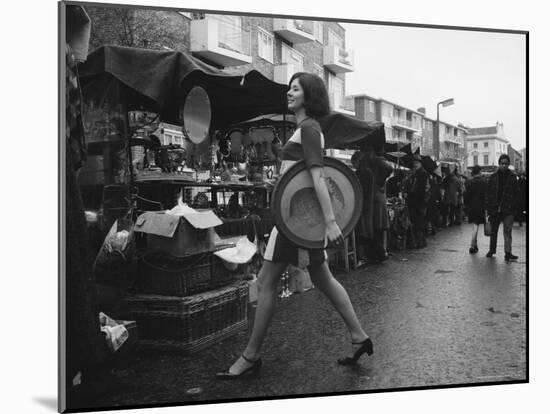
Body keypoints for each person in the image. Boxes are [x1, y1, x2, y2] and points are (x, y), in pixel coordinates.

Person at [216, 73, 372, 379]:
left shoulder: (310, 129)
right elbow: (302, 173)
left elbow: (318, 176)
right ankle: (359, 336)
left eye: (295, 89)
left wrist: (329, 221)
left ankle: (250, 356)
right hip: (298, 221)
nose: (289, 92)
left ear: (309, 95)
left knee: (265, 282)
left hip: (294, 223)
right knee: (323, 278)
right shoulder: (305, 129)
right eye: (289, 88)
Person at [485, 154, 520, 261]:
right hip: (495, 208)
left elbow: (517, 193)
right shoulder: (493, 177)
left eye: (506, 163)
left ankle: (508, 253)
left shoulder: (513, 177)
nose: (504, 165)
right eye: (502, 163)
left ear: (508, 164)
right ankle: (492, 250)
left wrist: (514, 206)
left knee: (508, 231)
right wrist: (488, 207)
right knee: (494, 231)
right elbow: (488, 192)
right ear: (499, 164)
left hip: (508, 209)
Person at [361, 145, 392, 261]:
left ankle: (379, 253)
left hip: (375, 199)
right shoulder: (372, 159)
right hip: (375, 198)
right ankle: (377, 253)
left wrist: (379, 181)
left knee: (375, 227)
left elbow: (388, 168)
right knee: (375, 228)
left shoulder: (374, 159)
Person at [404, 154, 429, 248]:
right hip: (413, 200)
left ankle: (420, 242)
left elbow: (421, 190)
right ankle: (417, 241)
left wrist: (412, 195)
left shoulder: (422, 173)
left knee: (419, 221)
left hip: (419, 201)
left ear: (421, 164)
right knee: (415, 221)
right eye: (414, 162)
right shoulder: (413, 173)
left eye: (417, 162)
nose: (415, 164)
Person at [464, 165, 487, 254]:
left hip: (472, 206)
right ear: (479, 171)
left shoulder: (469, 182)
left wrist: (466, 205)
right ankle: (472, 245)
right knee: (476, 225)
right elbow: (486, 195)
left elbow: (466, 195)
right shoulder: (483, 182)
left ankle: (475, 245)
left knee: (475, 225)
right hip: (480, 206)